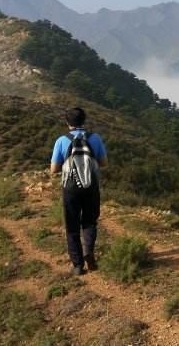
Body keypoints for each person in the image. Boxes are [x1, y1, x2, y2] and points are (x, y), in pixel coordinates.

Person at [50, 107, 108, 275]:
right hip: (91, 186)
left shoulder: (62, 140)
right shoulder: (95, 138)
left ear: (67, 122)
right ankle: (88, 251)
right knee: (90, 221)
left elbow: (54, 169)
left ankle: (77, 264)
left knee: (72, 225)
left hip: (70, 188)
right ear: (84, 120)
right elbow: (104, 163)